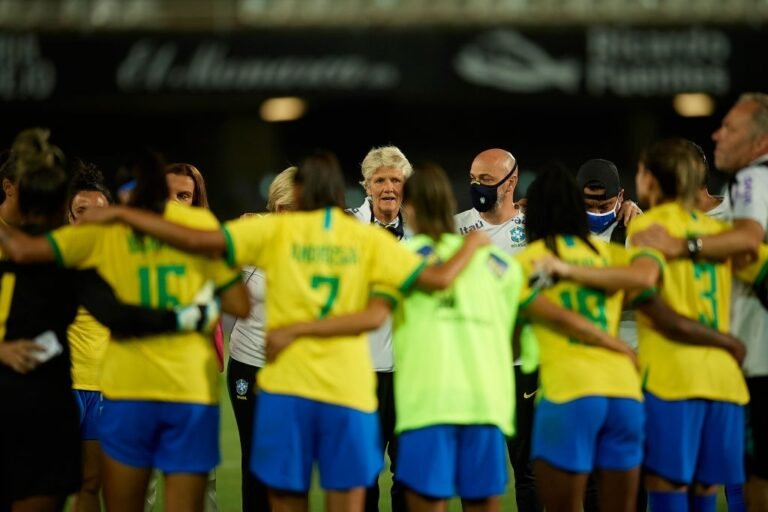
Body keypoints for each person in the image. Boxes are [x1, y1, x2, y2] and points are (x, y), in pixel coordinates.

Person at [73, 150, 487, 512]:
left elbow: (200, 238)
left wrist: (129, 215)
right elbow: (429, 283)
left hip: (286, 388)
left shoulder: (273, 231)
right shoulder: (363, 238)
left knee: (285, 495)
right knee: (351, 495)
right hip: (348, 389)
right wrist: (472, 244)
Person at [263, 162, 638, 512]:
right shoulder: (495, 261)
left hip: (428, 406)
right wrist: (613, 343)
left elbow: (369, 316)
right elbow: (546, 313)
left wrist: (298, 331)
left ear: (410, 209)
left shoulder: (398, 257)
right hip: (485, 404)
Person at [0, 147, 251, 512]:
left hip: (127, 391)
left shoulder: (106, 232)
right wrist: (194, 311)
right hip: (187, 393)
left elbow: (23, 250)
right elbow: (238, 304)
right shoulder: (197, 227)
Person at [631, 95, 768, 511]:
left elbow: (643, 293)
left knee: (668, 487)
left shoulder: (650, 228)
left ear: (652, 180)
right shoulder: (715, 232)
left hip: (673, 376)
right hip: (724, 381)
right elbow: (757, 268)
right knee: (717, 489)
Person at [227, 166, 297, 512]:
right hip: (249, 365)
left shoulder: (317, 245)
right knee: (255, 458)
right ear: (278, 207)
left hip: (295, 371)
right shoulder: (251, 235)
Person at [346, 145, 411, 512]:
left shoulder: (423, 230)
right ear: (366, 186)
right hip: (360, 373)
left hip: (408, 374)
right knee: (363, 477)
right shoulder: (345, 228)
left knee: (407, 476)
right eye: (380, 180)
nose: (388, 187)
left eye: (396, 180)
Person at [65, 162, 115, 512]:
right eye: (81, 211)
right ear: (68, 214)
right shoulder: (48, 255)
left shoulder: (123, 258)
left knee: (92, 482)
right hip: (59, 385)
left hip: (104, 385)